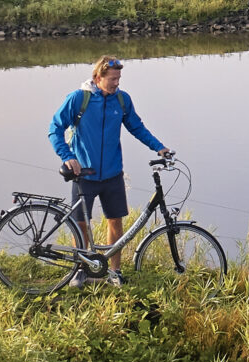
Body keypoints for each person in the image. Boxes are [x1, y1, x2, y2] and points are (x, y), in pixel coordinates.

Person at [46, 54, 170, 282]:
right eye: (112, 79)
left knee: (115, 221)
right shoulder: (79, 99)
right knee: (80, 224)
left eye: (119, 78)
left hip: (113, 173)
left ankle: (115, 270)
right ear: (98, 77)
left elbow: (137, 127)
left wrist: (159, 147)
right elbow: (55, 129)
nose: (116, 83)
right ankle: (80, 270)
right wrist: (67, 156)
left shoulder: (122, 100)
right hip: (83, 174)